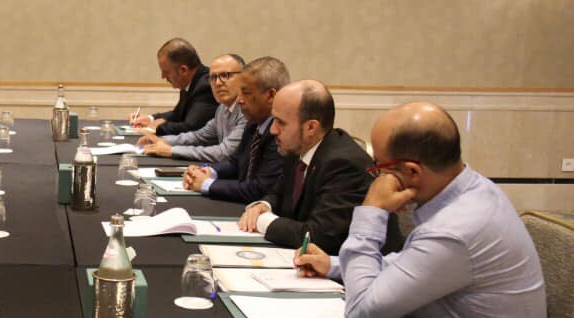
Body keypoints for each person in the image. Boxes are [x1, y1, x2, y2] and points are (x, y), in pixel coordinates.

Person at [295, 102, 547, 318]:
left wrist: (371, 210)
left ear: (412, 172)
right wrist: (336, 265)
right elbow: (410, 265)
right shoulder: (469, 190)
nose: (375, 178)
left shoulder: (459, 227)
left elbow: (361, 310)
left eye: (378, 168)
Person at [236, 80, 402, 254]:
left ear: (310, 127)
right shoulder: (297, 147)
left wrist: (262, 220)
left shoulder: (344, 164)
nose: (273, 130)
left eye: (280, 122)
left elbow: (319, 236)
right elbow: (279, 193)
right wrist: (264, 206)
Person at [181, 56, 290, 203]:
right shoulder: (254, 123)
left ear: (270, 95)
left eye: (246, 93)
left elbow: (259, 189)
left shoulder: (280, 133)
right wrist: (208, 171)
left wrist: (206, 184)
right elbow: (235, 163)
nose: (239, 100)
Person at [137, 53, 246, 163]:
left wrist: (171, 150)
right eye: (213, 77)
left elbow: (225, 153)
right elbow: (199, 136)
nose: (217, 83)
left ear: (244, 77)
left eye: (225, 75)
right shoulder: (223, 108)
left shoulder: (247, 111)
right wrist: (162, 140)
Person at [129, 38, 217, 136]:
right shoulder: (189, 82)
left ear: (183, 70)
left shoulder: (205, 86)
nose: (163, 76)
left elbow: (191, 127)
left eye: (166, 72)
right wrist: (150, 119)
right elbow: (178, 114)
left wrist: (157, 127)